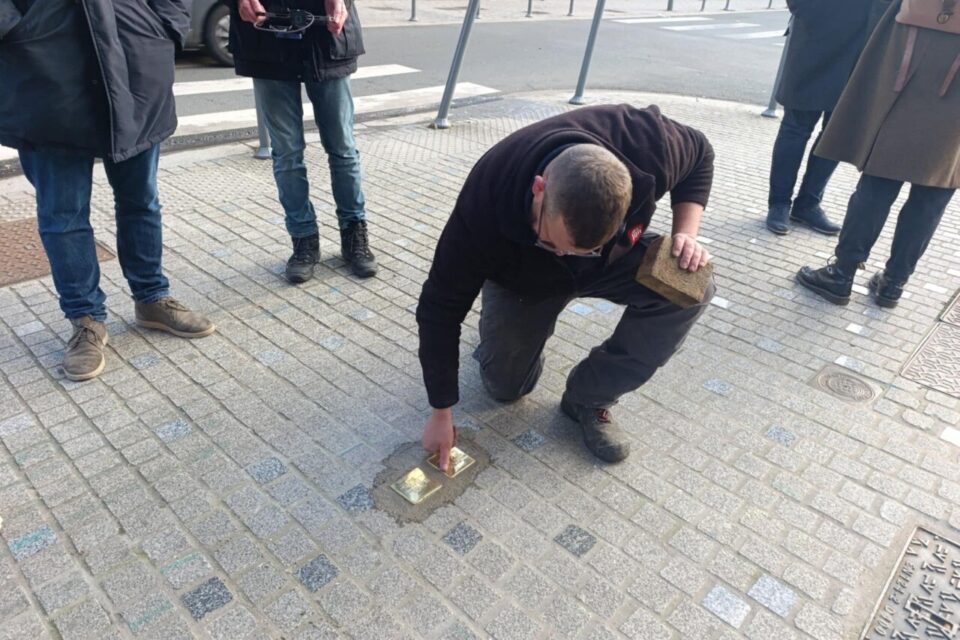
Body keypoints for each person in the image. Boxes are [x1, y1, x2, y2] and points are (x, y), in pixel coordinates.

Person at [416, 105, 716, 469]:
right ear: (538, 188)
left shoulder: (646, 141)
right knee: (505, 388)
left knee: (692, 285)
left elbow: (700, 152)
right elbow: (439, 308)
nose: (566, 254)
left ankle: (589, 397)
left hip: (611, 263)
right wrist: (441, 411)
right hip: (523, 276)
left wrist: (686, 233)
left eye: (583, 249)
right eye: (552, 241)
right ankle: (504, 334)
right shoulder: (485, 200)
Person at [0, 0, 216, 382]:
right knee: (62, 214)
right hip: (43, 68)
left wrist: (166, 26)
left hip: (135, 62)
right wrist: (17, 29)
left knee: (141, 200)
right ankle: (85, 319)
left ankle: (151, 297)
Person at [796, 0, 959, 308]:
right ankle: (893, 284)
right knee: (932, 194)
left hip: (910, 67)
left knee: (879, 183)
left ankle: (841, 275)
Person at [231, 0, 377, 283]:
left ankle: (354, 234)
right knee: (286, 154)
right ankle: (303, 240)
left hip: (326, 35)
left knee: (343, 148)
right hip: (267, 35)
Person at [765, 0, 876, 236]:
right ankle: (779, 203)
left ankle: (808, 204)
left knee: (836, 134)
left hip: (862, 46)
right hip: (814, 39)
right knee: (795, 129)